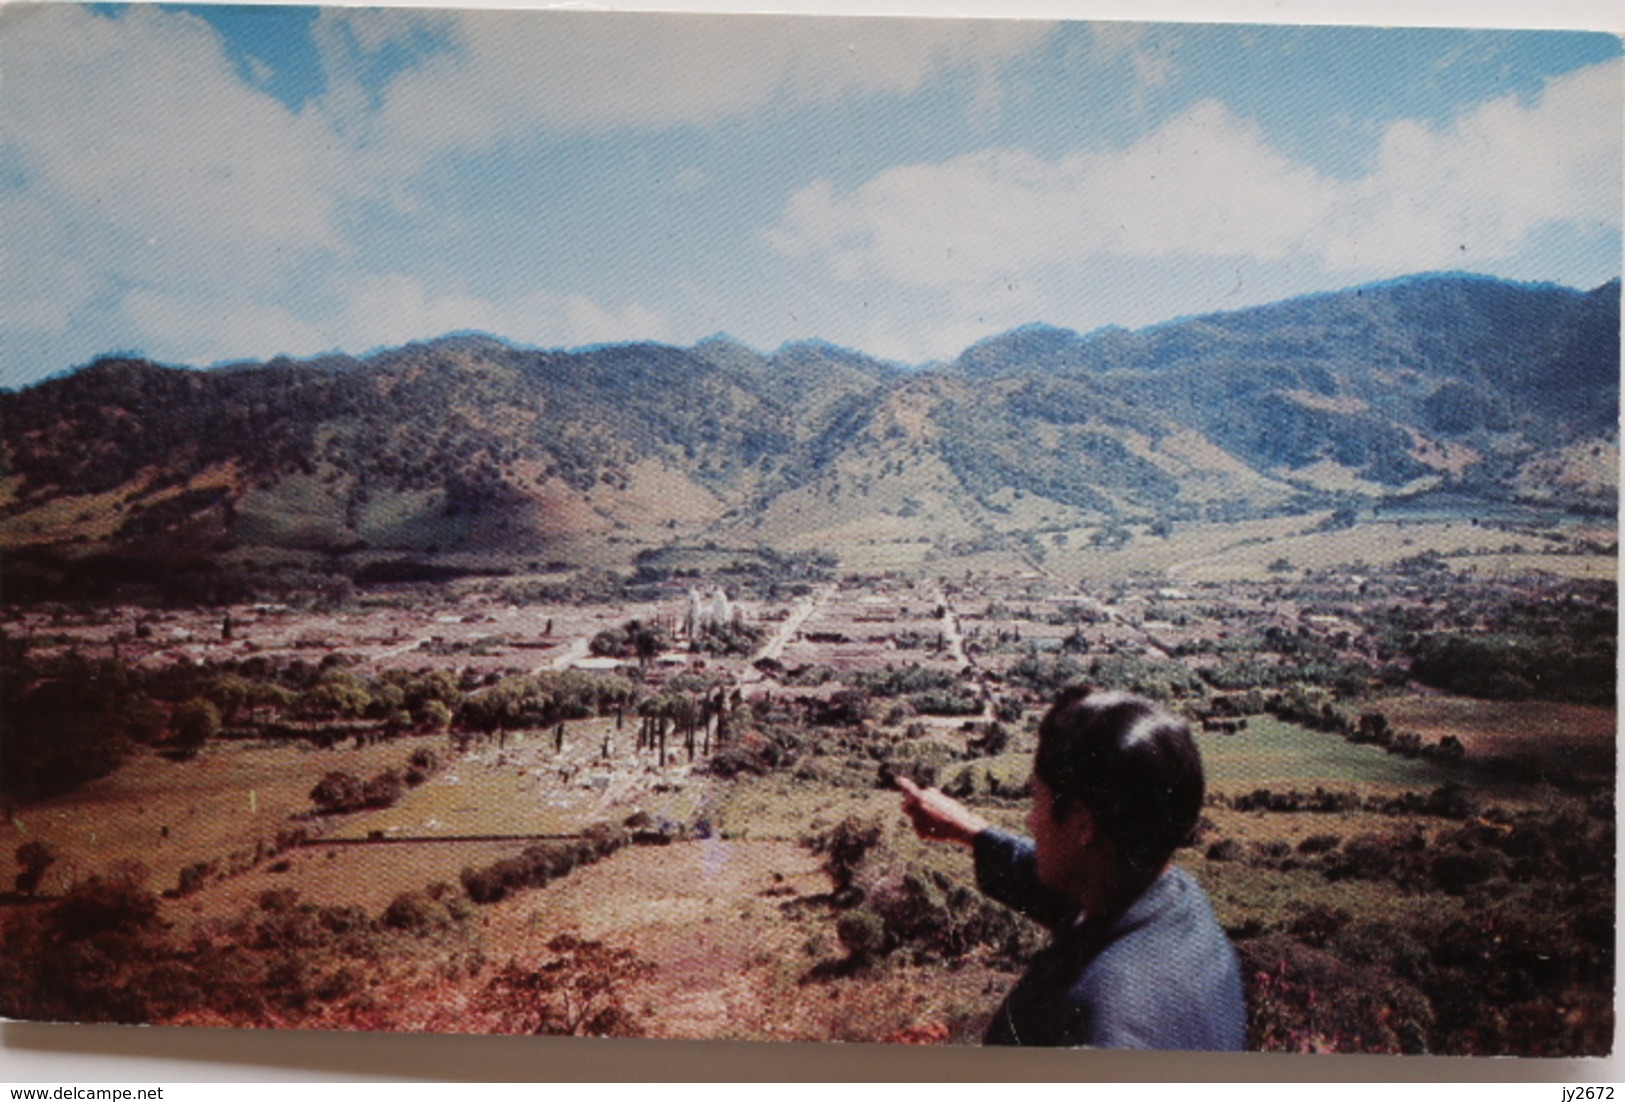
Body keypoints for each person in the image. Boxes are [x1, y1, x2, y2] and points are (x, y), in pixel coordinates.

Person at [897, 686, 1245, 1050]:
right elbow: (1068, 892)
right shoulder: (1175, 902)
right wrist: (971, 832)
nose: (1031, 822)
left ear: (1082, 826)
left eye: (1037, 801)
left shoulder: (1098, 1027)